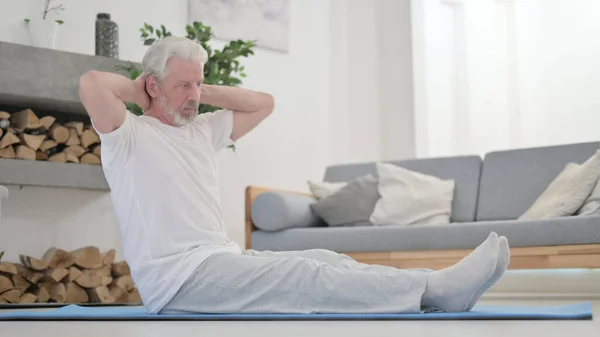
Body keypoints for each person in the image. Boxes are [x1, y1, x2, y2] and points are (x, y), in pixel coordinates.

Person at [79, 36, 510, 315]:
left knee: (322, 259)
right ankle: (434, 289)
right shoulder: (129, 135)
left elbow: (263, 103)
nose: (193, 97)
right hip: (177, 280)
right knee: (305, 277)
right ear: (153, 86)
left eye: (198, 86)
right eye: (183, 87)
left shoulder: (202, 130)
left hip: (219, 260)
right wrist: (143, 87)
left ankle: (433, 291)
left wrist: (197, 87)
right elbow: (91, 84)